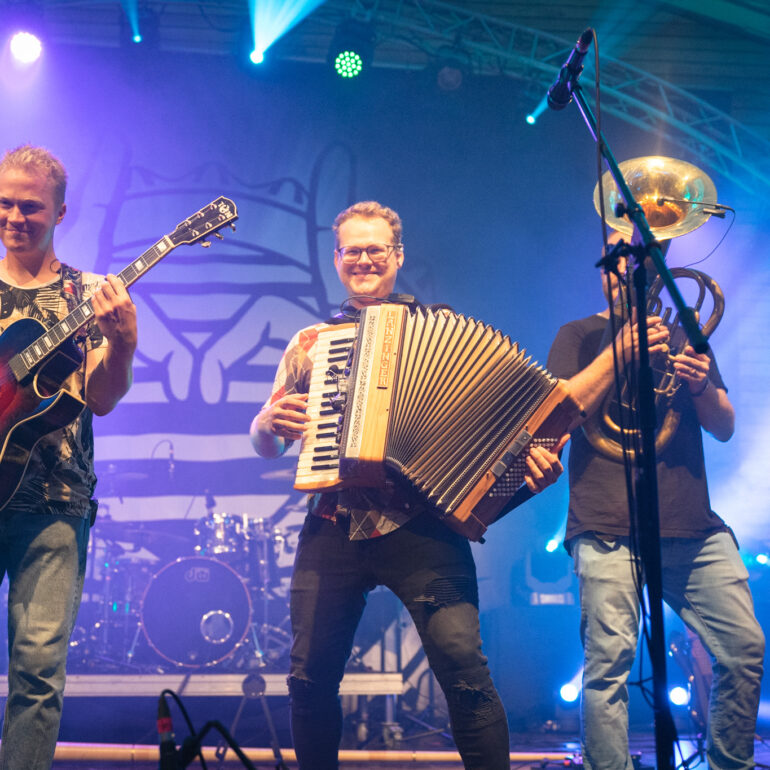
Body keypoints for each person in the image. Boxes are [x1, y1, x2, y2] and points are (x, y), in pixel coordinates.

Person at [250, 200, 566, 770]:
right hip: (333, 528)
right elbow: (265, 438)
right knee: (308, 678)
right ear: (337, 258)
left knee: (464, 669)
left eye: (376, 249)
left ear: (398, 256)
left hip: (422, 528)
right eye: (353, 251)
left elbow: (504, 433)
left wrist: (529, 468)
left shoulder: (445, 331)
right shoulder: (310, 343)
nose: (364, 260)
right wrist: (265, 425)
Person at [546, 230, 764, 770]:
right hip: (606, 522)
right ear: (603, 270)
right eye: (618, 257)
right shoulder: (578, 334)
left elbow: (725, 427)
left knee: (744, 649)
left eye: (644, 255)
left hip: (691, 524)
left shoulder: (683, 332)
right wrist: (621, 354)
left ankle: (729, 765)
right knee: (609, 666)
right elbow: (557, 415)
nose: (627, 267)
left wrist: (698, 385)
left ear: (660, 264)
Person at [0, 145, 137, 769]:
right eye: (5, 202)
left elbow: (100, 400)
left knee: (37, 674)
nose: (15, 216)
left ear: (61, 211)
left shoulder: (88, 294)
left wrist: (123, 345)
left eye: (30, 206)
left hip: (53, 503)